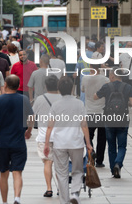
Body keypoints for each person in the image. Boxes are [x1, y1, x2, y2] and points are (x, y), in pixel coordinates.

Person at [44, 76, 92, 204]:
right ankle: (75, 193)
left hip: (59, 143)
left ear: (59, 89)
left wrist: (47, 143)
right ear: (72, 89)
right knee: (77, 170)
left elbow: (50, 126)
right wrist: (88, 143)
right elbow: (84, 125)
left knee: (61, 173)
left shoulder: (56, 105)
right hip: (76, 142)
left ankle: (64, 201)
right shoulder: (79, 103)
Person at [0, 75, 34, 204]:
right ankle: (17, 197)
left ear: (5, 85)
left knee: (3, 173)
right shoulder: (24, 99)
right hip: (18, 142)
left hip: (2, 142)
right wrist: (29, 131)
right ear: (18, 86)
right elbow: (31, 117)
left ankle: (5, 201)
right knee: (17, 171)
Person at [94, 67, 132, 178]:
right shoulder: (127, 87)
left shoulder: (107, 86)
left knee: (111, 146)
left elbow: (95, 97)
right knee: (122, 146)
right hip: (122, 120)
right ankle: (118, 163)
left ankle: (113, 170)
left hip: (109, 119)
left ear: (112, 76)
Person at [32, 75, 61, 197]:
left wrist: (28, 130)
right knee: (61, 165)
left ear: (45, 86)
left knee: (47, 163)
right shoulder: (63, 98)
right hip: (61, 136)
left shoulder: (40, 99)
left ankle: (49, 189)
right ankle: (61, 188)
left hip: (44, 136)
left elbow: (32, 116)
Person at [81, 63, 109, 167]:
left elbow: (83, 90)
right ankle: (100, 161)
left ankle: (91, 152)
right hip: (102, 112)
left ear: (90, 67)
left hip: (89, 112)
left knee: (88, 137)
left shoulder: (85, 78)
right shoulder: (105, 80)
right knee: (102, 138)